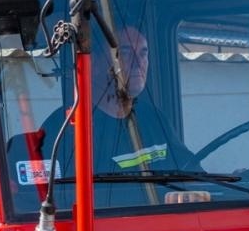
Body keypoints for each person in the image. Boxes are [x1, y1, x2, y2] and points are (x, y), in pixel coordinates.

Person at [31, 24, 196, 208]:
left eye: (143, 53)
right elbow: (52, 207)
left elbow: (192, 174)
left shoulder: (155, 120)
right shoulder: (62, 130)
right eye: (125, 52)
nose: (137, 61)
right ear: (92, 62)